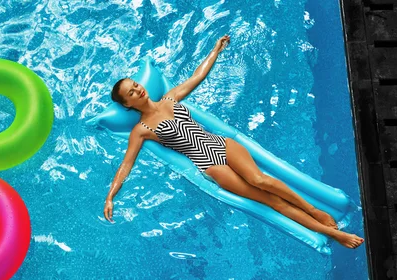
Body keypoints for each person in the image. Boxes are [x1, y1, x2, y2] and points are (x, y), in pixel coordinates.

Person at [104, 35, 364, 249]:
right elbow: (127, 164)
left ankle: (313, 210)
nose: (138, 90)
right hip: (207, 163)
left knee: (260, 180)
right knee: (270, 201)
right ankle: (333, 234)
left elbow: (197, 77)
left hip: (221, 144)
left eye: (135, 85)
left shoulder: (170, 98)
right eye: (131, 93)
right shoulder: (141, 130)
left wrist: (215, 50)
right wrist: (111, 196)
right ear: (127, 104)